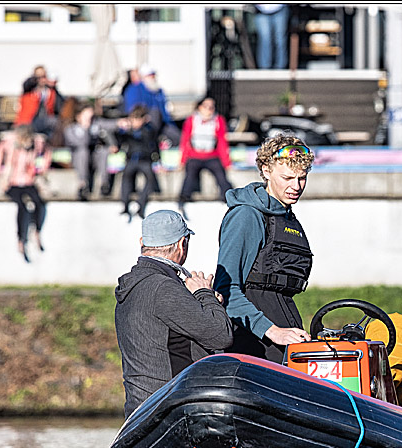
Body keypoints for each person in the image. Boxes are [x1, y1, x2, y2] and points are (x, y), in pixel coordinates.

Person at [115, 209, 234, 417]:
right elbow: (220, 335)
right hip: (169, 410)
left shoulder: (132, 286)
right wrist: (204, 293)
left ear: (143, 242)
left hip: (139, 412)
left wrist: (201, 303)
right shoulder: (163, 288)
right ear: (182, 243)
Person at [215, 134, 315, 363]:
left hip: (287, 337)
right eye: (287, 177)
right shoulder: (246, 216)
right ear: (266, 170)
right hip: (254, 343)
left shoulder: (286, 216)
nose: (296, 186)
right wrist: (272, 331)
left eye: (302, 178)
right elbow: (226, 289)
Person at [0, 126, 48, 263]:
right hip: (11, 182)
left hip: (28, 181)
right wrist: (0, 175)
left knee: (38, 203)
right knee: (22, 206)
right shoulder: (8, 144)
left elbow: (45, 152)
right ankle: (21, 239)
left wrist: (40, 170)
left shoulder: (35, 144)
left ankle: (37, 231)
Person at [177, 96, 233, 214]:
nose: (209, 110)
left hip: (212, 156)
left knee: (221, 177)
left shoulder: (218, 120)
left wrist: (227, 162)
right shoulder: (191, 120)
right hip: (194, 156)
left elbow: (222, 142)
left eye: (211, 107)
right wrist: (182, 161)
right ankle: (183, 199)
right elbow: (185, 140)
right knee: (189, 176)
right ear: (199, 107)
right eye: (206, 107)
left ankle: (229, 199)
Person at [114, 104, 160, 222]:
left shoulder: (148, 130)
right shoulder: (127, 132)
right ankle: (125, 204)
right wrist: (122, 129)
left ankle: (141, 203)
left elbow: (151, 140)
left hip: (144, 160)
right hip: (131, 160)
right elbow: (118, 139)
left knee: (150, 179)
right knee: (126, 178)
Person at [63, 103, 117, 200]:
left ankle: (105, 184)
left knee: (103, 151)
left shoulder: (95, 125)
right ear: (78, 116)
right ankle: (83, 185)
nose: (90, 120)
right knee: (83, 152)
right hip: (79, 158)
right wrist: (86, 129)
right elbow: (82, 143)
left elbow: (109, 124)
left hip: (94, 157)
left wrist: (121, 123)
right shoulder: (71, 129)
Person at [255, 4, 290, 70]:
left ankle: (281, 68)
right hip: (261, 10)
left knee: (280, 40)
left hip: (280, 8)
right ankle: (264, 68)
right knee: (265, 40)